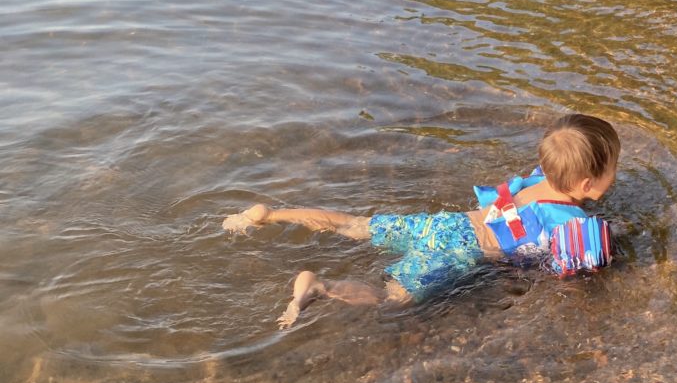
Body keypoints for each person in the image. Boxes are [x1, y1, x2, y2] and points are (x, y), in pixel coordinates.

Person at [222, 113, 620, 328]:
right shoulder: (567, 221)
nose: (615, 175)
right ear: (587, 183)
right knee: (390, 300)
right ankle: (320, 288)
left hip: (442, 224)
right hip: (457, 250)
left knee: (356, 225)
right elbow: (565, 266)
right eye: (612, 170)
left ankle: (267, 214)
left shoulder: (533, 181)